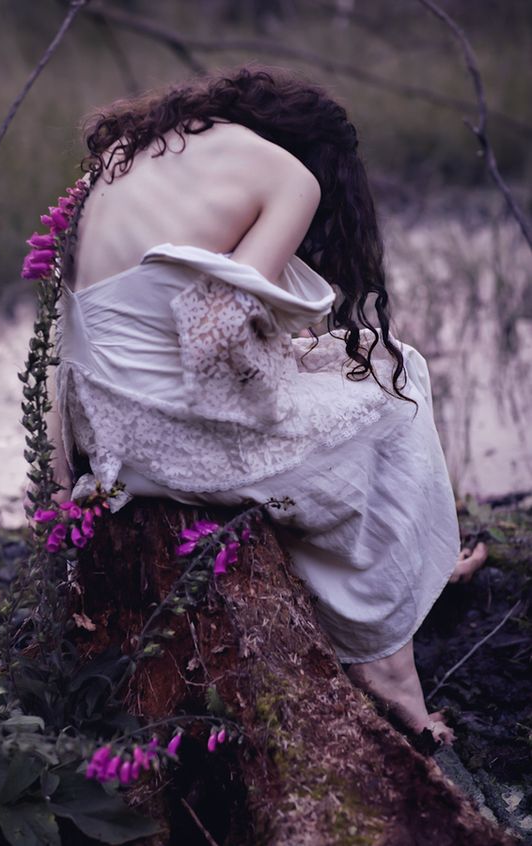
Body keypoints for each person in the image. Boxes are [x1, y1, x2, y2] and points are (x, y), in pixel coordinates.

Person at [50, 65, 488, 744]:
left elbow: (75, 335)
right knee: (397, 382)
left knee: (343, 371)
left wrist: (59, 481)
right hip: (173, 436)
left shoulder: (130, 152)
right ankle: (390, 665)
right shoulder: (291, 176)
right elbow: (216, 332)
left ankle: (417, 562)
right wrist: (278, 385)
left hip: (104, 432)